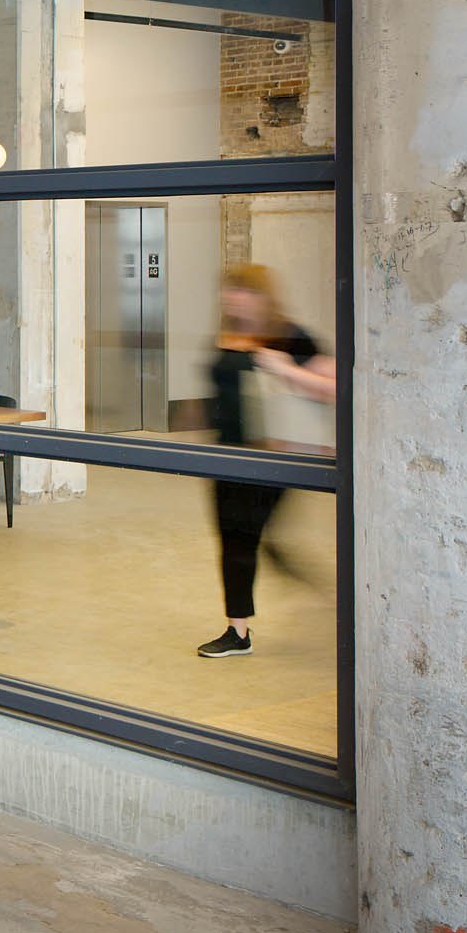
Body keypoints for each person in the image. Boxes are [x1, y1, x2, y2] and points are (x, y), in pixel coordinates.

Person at [198, 264, 335, 658]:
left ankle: (315, 583)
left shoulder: (289, 335)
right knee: (232, 540)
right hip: (225, 456)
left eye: (245, 291)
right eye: (231, 291)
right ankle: (237, 631)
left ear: (264, 296)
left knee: (245, 536)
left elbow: (336, 385)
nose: (235, 298)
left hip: (271, 457)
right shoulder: (228, 335)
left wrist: (287, 369)